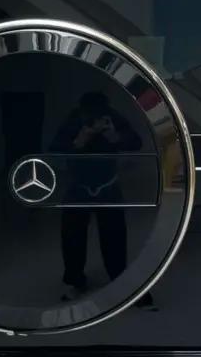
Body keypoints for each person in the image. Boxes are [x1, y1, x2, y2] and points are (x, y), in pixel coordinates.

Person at [50, 92, 143, 301]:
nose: (95, 118)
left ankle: (119, 279)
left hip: (108, 184)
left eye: (99, 114)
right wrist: (79, 140)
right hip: (78, 185)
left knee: (114, 235)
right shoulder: (74, 119)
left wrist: (115, 137)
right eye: (90, 114)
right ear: (82, 110)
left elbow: (136, 142)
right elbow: (55, 149)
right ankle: (75, 280)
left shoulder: (113, 118)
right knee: (72, 236)